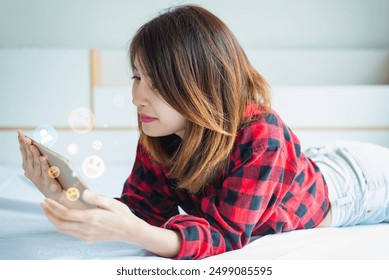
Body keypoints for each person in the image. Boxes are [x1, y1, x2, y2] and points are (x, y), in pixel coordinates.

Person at [17, 5, 389, 260]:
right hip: (301, 171)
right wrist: (67, 195)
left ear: (201, 84)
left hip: (356, 185)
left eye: (156, 83)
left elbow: (225, 237)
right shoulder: (160, 129)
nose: (136, 97)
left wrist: (134, 234)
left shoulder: (263, 134)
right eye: (136, 77)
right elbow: (143, 210)